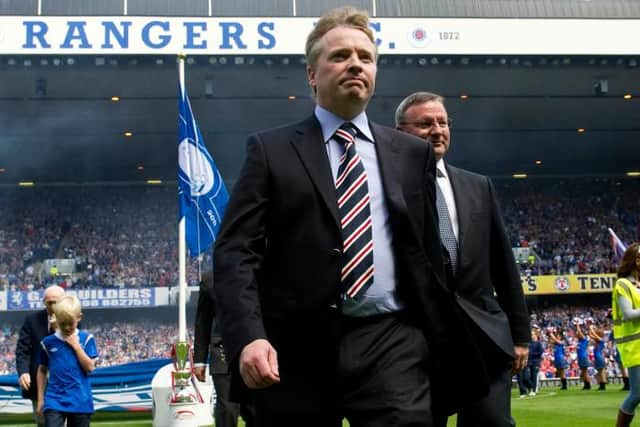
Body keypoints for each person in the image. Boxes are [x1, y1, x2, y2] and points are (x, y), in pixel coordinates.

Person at [213, 6, 488, 427]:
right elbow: (236, 251)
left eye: (366, 56)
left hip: (391, 343)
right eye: (340, 56)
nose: (355, 63)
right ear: (311, 74)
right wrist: (249, 336)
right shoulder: (270, 150)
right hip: (294, 349)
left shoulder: (412, 155)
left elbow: (428, 253)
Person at [395, 91, 530, 427]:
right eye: (425, 123)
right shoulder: (387, 186)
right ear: (400, 132)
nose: (437, 129)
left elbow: (503, 264)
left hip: (484, 336)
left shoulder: (478, 186)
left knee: (493, 423)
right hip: (420, 341)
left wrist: (520, 335)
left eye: (442, 122)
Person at [193, 271, 254, 427]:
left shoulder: (259, 270)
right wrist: (199, 360)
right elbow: (203, 321)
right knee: (227, 408)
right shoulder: (209, 279)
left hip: (255, 349)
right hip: (222, 351)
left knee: (256, 407)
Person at [36, 294, 98, 427]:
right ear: (56, 319)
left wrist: (76, 346)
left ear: (79, 318)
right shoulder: (48, 343)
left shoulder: (86, 339)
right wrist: (41, 399)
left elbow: (90, 368)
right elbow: (42, 370)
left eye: (71, 323)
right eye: (63, 323)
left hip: (80, 400)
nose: (67, 327)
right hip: (54, 400)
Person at [16, 285, 65, 427]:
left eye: (57, 302)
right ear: (44, 302)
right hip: (39, 384)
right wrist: (23, 372)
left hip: (65, 382)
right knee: (43, 422)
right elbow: (22, 349)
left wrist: (58, 329)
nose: (53, 306)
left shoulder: (73, 320)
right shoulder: (32, 320)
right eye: (49, 302)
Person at [612, 242, 640, 427]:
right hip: (634, 347)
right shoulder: (622, 284)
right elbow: (629, 314)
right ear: (637, 261)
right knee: (637, 393)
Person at [575, 320, 591, 390]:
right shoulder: (580, 341)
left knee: (584, 371)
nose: (577, 335)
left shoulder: (584, 340)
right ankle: (586, 384)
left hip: (583, 357)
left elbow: (579, 332)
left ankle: (587, 384)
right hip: (580, 357)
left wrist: (577, 325)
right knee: (583, 371)